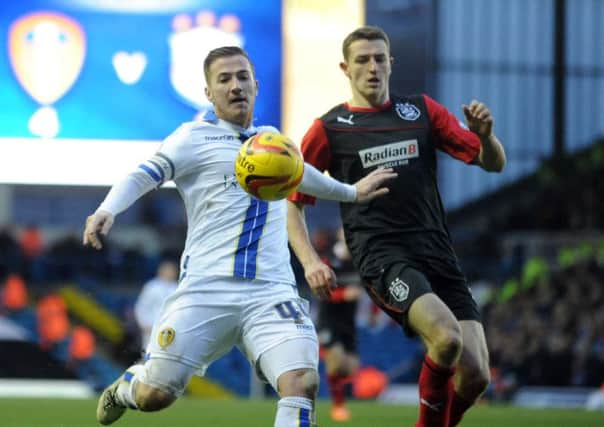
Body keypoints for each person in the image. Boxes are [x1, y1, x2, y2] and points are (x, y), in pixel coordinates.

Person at [83, 45, 396, 427]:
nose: (235, 86)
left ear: (256, 85)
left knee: (302, 381)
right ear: (209, 93)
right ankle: (128, 386)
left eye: (242, 77)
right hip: (205, 289)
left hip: (271, 291)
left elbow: (301, 175)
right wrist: (106, 210)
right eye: (224, 79)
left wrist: (351, 192)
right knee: (156, 395)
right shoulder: (191, 138)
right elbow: (142, 175)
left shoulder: (271, 139)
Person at [287, 26, 506, 427]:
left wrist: (486, 138)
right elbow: (294, 204)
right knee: (447, 338)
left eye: (379, 58)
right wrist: (309, 262)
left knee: (475, 377)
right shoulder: (328, 129)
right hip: (382, 256)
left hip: (438, 253)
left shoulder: (421, 112)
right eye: (362, 60)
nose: (372, 67)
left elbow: (493, 163)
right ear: (345, 67)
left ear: (391, 63)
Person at [315, 228, 361, 422]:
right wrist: (343, 295)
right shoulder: (328, 258)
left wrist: (375, 312)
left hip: (348, 322)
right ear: (340, 235)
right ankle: (338, 406)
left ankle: (339, 397)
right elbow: (319, 290)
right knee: (336, 360)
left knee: (350, 368)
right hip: (328, 320)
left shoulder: (361, 261)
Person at [133, 260, 179, 350]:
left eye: (172, 270)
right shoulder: (152, 286)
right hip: (151, 327)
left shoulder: (177, 287)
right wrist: (144, 324)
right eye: (168, 270)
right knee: (150, 354)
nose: (170, 273)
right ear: (161, 271)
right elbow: (141, 307)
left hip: (171, 329)